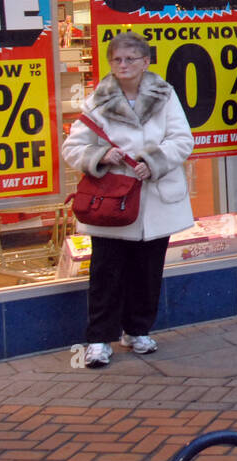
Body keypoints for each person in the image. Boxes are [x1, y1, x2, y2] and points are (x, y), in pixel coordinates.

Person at [62, 31, 196, 368]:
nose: (123, 65)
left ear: (145, 62)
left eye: (130, 59)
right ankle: (97, 339)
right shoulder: (98, 100)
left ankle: (137, 330)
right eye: (117, 59)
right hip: (112, 203)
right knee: (106, 273)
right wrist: (103, 155)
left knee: (148, 270)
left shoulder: (165, 95)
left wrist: (151, 163)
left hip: (156, 199)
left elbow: (182, 139)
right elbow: (73, 148)